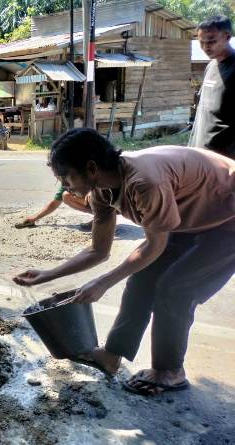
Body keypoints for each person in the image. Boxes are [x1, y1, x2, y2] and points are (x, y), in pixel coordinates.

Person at [14, 128, 235, 396]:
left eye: (65, 176)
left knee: (176, 289)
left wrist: (103, 282)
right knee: (141, 280)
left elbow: (154, 246)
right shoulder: (101, 193)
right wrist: (47, 275)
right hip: (192, 211)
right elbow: (98, 251)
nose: (63, 185)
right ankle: (111, 355)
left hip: (228, 216)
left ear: (91, 168)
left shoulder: (145, 183)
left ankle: (170, 371)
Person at [188, 15, 235, 159]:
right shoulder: (211, 66)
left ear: (227, 37)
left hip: (224, 161)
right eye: (201, 42)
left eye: (211, 41)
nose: (205, 47)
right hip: (200, 154)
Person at [15, 185, 93, 230]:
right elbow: (54, 203)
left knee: (94, 195)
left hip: (103, 197)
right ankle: (99, 217)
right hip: (98, 203)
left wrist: (94, 189)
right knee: (66, 196)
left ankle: (103, 219)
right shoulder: (66, 179)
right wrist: (34, 218)